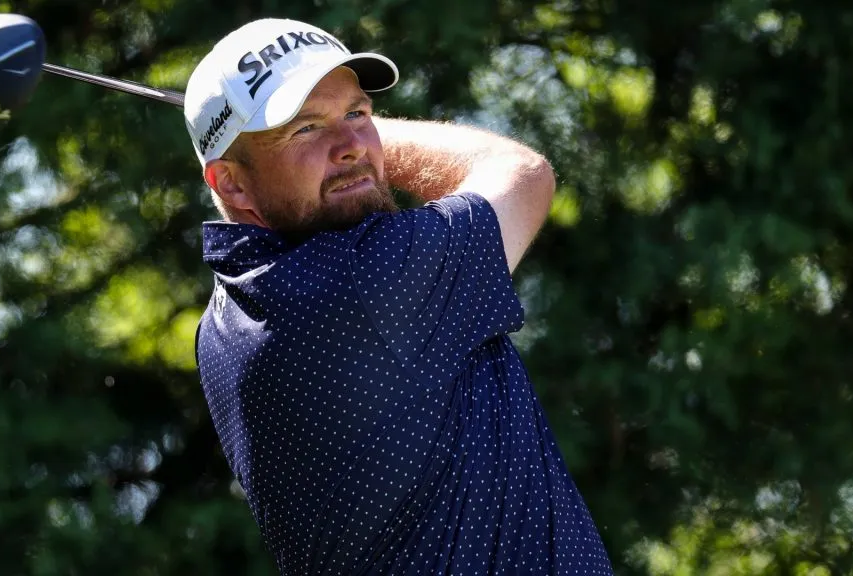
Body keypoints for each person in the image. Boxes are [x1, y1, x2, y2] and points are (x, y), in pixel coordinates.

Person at [185, 17, 614, 575]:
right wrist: (375, 130)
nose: (351, 147)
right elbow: (521, 173)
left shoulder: (223, 324)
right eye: (305, 129)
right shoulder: (364, 282)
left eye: (357, 114)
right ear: (232, 182)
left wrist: (312, 128)